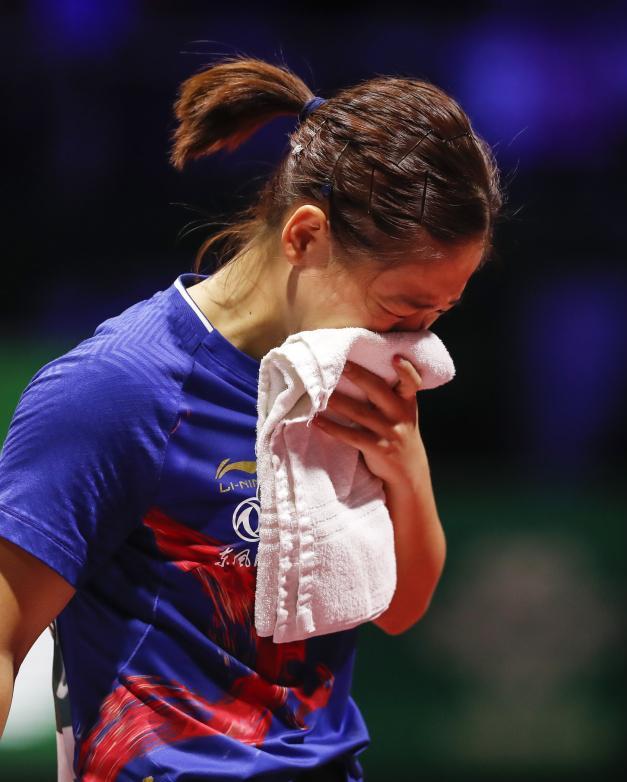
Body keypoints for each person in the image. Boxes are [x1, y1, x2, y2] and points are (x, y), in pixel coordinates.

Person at [0, 55, 505, 781]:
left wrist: (407, 464)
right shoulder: (120, 390)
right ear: (304, 237)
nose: (416, 340)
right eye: (402, 308)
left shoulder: (357, 383)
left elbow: (399, 609)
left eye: (438, 314)